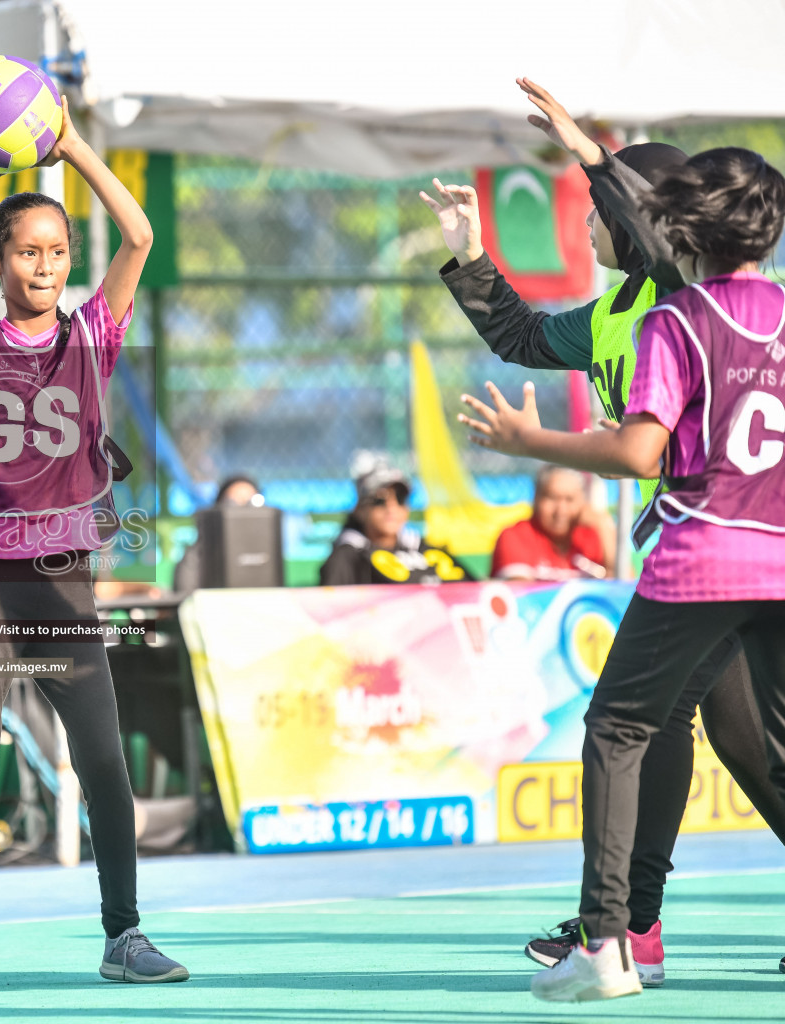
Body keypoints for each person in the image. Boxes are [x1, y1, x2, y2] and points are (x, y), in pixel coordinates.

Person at [422, 78, 785, 984]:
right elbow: (521, 338)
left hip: (711, 542)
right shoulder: (620, 314)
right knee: (740, 745)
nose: (586, 228)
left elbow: (657, 237)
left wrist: (592, 154)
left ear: (651, 217)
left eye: (598, 209)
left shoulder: (679, 294)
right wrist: (471, 256)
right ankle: (632, 929)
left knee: (639, 726)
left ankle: (619, 933)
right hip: (722, 546)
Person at [0, 97, 188, 994]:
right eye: (28, 251)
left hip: (61, 582)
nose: (46, 264)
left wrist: (71, 145)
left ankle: (124, 936)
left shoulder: (93, 337)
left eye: (58, 252)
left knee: (103, 757)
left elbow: (134, 235)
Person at [318, 457, 471, 586]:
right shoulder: (347, 559)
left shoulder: (428, 551)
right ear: (360, 510)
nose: (391, 508)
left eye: (400, 498)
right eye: (379, 500)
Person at [492, 465, 611, 580]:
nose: (561, 510)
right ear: (536, 498)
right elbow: (522, 595)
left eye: (569, 499)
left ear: (583, 503)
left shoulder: (593, 537)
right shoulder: (515, 536)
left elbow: (622, 588)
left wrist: (604, 526)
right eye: (552, 498)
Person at [171, 474, 264, 593]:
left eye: (250, 503)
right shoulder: (200, 552)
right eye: (233, 503)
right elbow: (185, 593)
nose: (242, 511)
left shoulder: (267, 551)